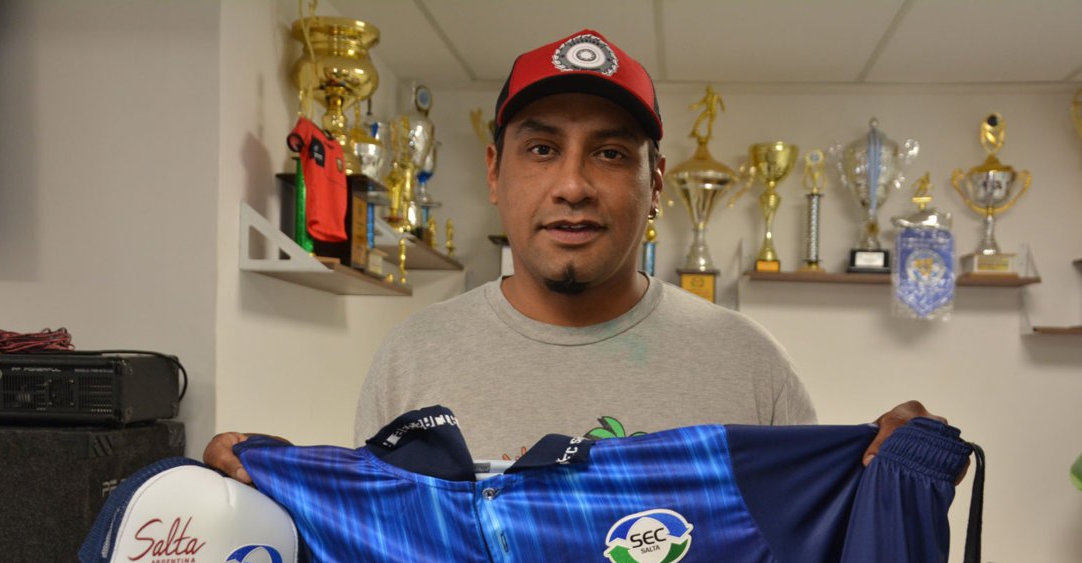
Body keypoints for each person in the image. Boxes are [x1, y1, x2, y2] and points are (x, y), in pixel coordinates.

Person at [206, 28, 943, 481]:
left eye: (610, 153)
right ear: (494, 173)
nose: (572, 185)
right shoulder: (412, 359)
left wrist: (895, 474)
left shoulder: (751, 367)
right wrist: (276, 493)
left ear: (656, 184)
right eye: (541, 149)